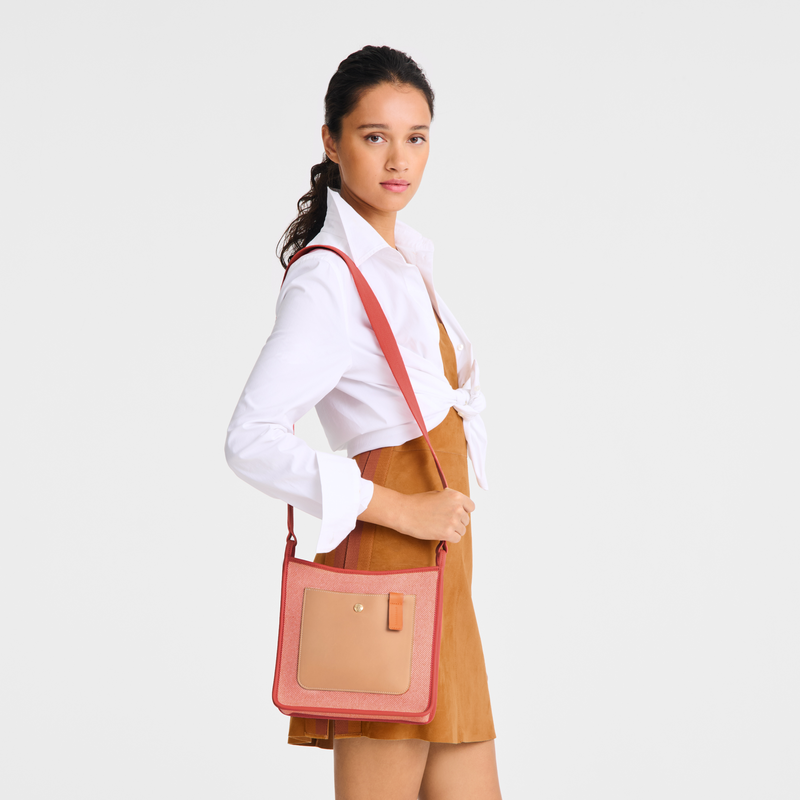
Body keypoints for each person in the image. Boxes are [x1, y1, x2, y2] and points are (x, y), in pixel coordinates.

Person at [225, 45, 502, 800]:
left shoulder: (402, 260)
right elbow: (250, 439)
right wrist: (404, 509)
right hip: (393, 561)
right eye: (375, 135)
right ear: (331, 140)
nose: (399, 159)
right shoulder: (329, 276)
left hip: (444, 562)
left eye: (416, 137)